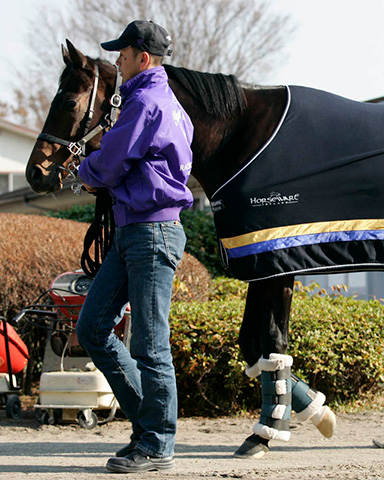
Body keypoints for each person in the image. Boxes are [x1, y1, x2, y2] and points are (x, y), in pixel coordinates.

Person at [75, 20, 194, 474]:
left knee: (150, 345)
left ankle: (158, 443)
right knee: (93, 328)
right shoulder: (167, 103)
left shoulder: (144, 101)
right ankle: (149, 425)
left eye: (122, 54)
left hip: (150, 233)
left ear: (142, 57)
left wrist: (84, 169)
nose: (117, 60)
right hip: (138, 231)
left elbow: (108, 163)